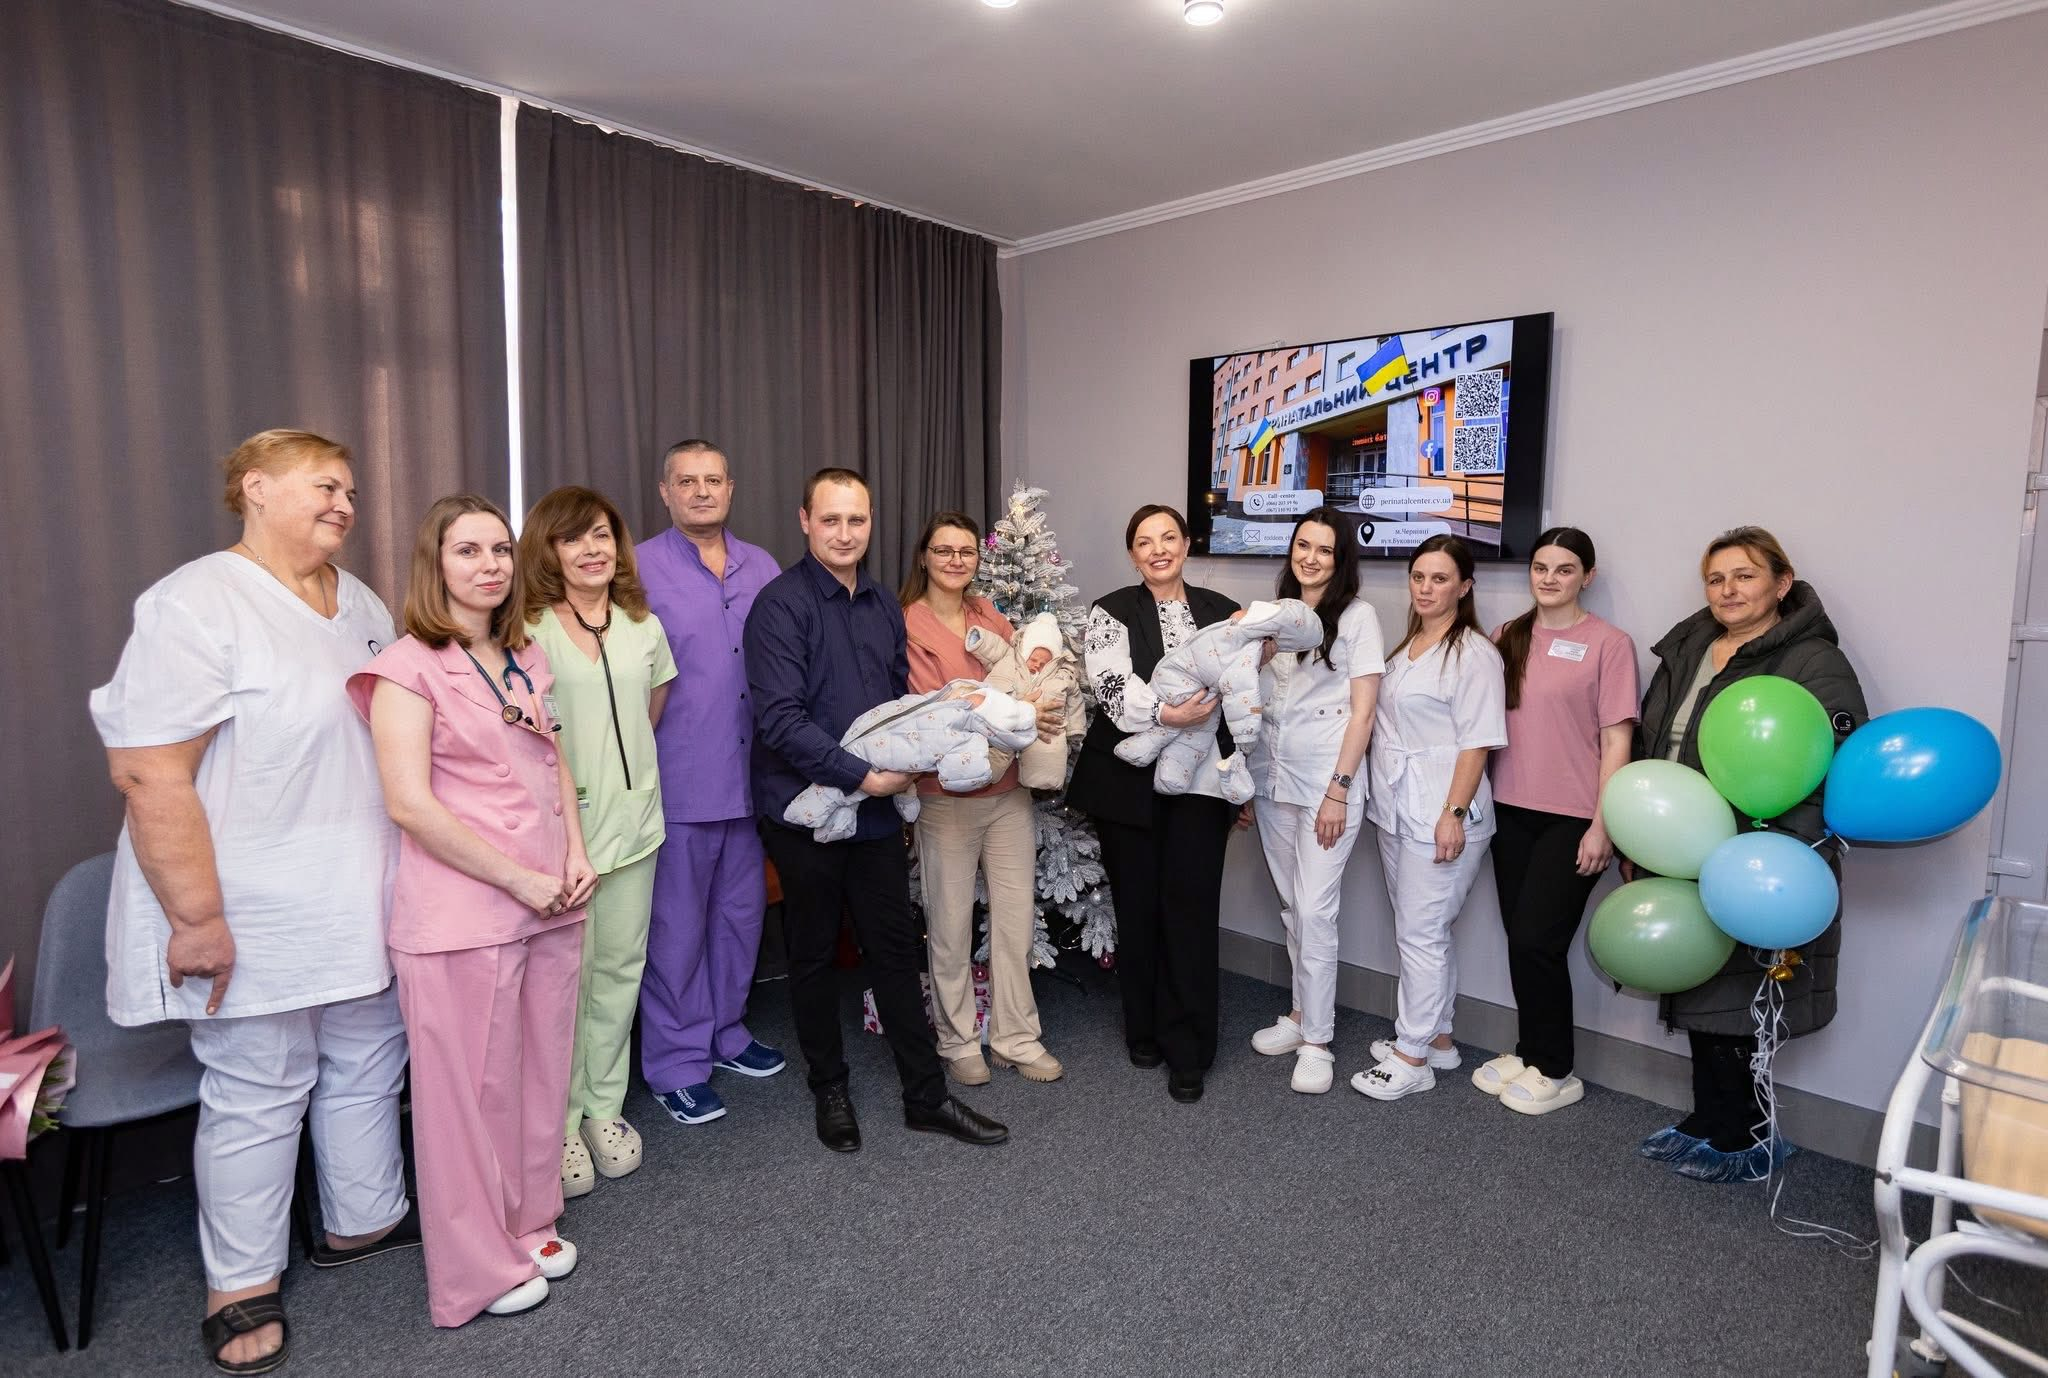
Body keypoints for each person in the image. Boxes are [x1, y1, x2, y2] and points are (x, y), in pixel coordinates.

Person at [91, 429, 416, 1375]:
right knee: (258, 1089)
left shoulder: (360, 602)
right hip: (249, 905)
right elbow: (148, 771)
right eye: (324, 486)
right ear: (256, 489)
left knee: (367, 1056)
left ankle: (364, 1219)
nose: (344, 503)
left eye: (350, 490)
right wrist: (196, 919)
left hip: (358, 891)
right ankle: (239, 1285)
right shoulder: (196, 603)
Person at [352, 495, 597, 1325]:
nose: (489, 565)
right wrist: (521, 879)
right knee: (466, 1101)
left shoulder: (525, 655)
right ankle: (472, 1269)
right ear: (436, 563)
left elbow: (554, 759)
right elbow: (410, 805)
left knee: (538, 1074)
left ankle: (528, 1221)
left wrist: (575, 852)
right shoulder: (405, 670)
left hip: (550, 899)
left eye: (499, 549)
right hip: (465, 913)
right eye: (468, 551)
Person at [745, 468, 1008, 1152]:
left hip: (877, 809)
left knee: (894, 948)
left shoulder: (884, 604)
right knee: (812, 955)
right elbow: (779, 720)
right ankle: (829, 1088)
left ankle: (926, 1096)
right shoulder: (779, 606)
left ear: (870, 523)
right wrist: (863, 775)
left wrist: (896, 772)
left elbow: (898, 705)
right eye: (830, 519)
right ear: (805, 520)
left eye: (856, 520)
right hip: (804, 810)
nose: (844, 533)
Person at [1632, 526, 1864, 1180]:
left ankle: (1749, 1136)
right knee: (1698, 979)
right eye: (1716, 578)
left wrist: (1782, 847)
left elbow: (1835, 766)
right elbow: (1659, 742)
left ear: (1781, 584)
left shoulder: (1813, 661)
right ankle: (1709, 1117)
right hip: (1685, 843)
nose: (1728, 590)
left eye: (1744, 575)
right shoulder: (1691, 647)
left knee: (1741, 996)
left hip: (1762, 854)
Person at [519, 486, 678, 1194]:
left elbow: (652, 708)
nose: (592, 550)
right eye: (574, 538)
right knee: (562, 988)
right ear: (549, 550)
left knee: (618, 974)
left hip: (635, 828)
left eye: (603, 535)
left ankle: (603, 1110)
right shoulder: (525, 630)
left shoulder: (643, 625)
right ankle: (557, 1123)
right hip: (560, 842)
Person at [1065, 504, 1240, 1103]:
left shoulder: (1222, 611)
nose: (1158, 549)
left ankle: (1188, 1047)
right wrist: (1168, 714)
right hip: (1128, 783)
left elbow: (1244, 687)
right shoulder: (1110, 610)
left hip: (1203, 784)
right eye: (1145, 542)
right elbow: (1110, 685)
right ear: (1132, 554)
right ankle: (1142, 1028)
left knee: (1191, 912)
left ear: (1187, 545)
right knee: (1138, 910)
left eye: (1169, 537)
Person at [636, 439, 786, 1128]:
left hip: (752, 781)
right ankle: (676, 1062)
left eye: (713, 480)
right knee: (675, 932)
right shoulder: (636, 569)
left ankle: (726, 1031)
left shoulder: (764, 566)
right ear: (665, 492)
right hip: (677, 782)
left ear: (731, 488)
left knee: (739, 920)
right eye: (687, 481)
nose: (701, 491)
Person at [1474, 528, 1637, 1115]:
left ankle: (1558, 1070)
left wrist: (1603, 825)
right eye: (1540, 567)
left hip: (1573, 818)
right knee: (1521, 939)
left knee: (1538, 940)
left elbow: (1617, 741)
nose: (1549, 578)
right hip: (1509, 810)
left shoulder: (1610, 644)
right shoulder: (1507, 636)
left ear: (1586, 577)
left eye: (1564, 569)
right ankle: (1530, 1051)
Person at [900, 512, 1066, 1087]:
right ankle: (957, 1040)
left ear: (977, 558)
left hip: (1007, 794)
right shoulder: (908, 624)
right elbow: (940, 712)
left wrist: (1025, 705)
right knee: (950, 925)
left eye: (966, 551)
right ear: (924, 556)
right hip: (944, 796)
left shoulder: (987, 613)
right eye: (943, 550)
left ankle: (1016, 1037)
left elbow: (1027, 671)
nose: (955, 561)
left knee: (1015, 922)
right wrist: (1019, 711)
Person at [1356, 534, 1508, 1102]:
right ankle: (1438, 1039)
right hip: (1398, 808)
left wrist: (1453, 814)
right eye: (1418, 577)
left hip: (1444, 812)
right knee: (1421, 931)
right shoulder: (1409, 645)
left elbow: (1478, 743)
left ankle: (1411, 1055)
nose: (1425, 588)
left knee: (1420, 935)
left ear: (1464, 586)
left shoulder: (1474, 654)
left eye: (1439, 578)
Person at [1244, 509, 1385, 1095]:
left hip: (1328, 786)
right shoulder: (1273, 614)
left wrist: (1338, 791)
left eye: (1324, 550)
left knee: (1315, 910)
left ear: (1340, 559)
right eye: (1303, 545)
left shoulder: (1357, 617)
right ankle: (1301, 1013)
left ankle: (1318, 1042)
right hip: (1272, 777)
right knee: (1291, 905)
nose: (1310, 558)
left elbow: (1364, 712)